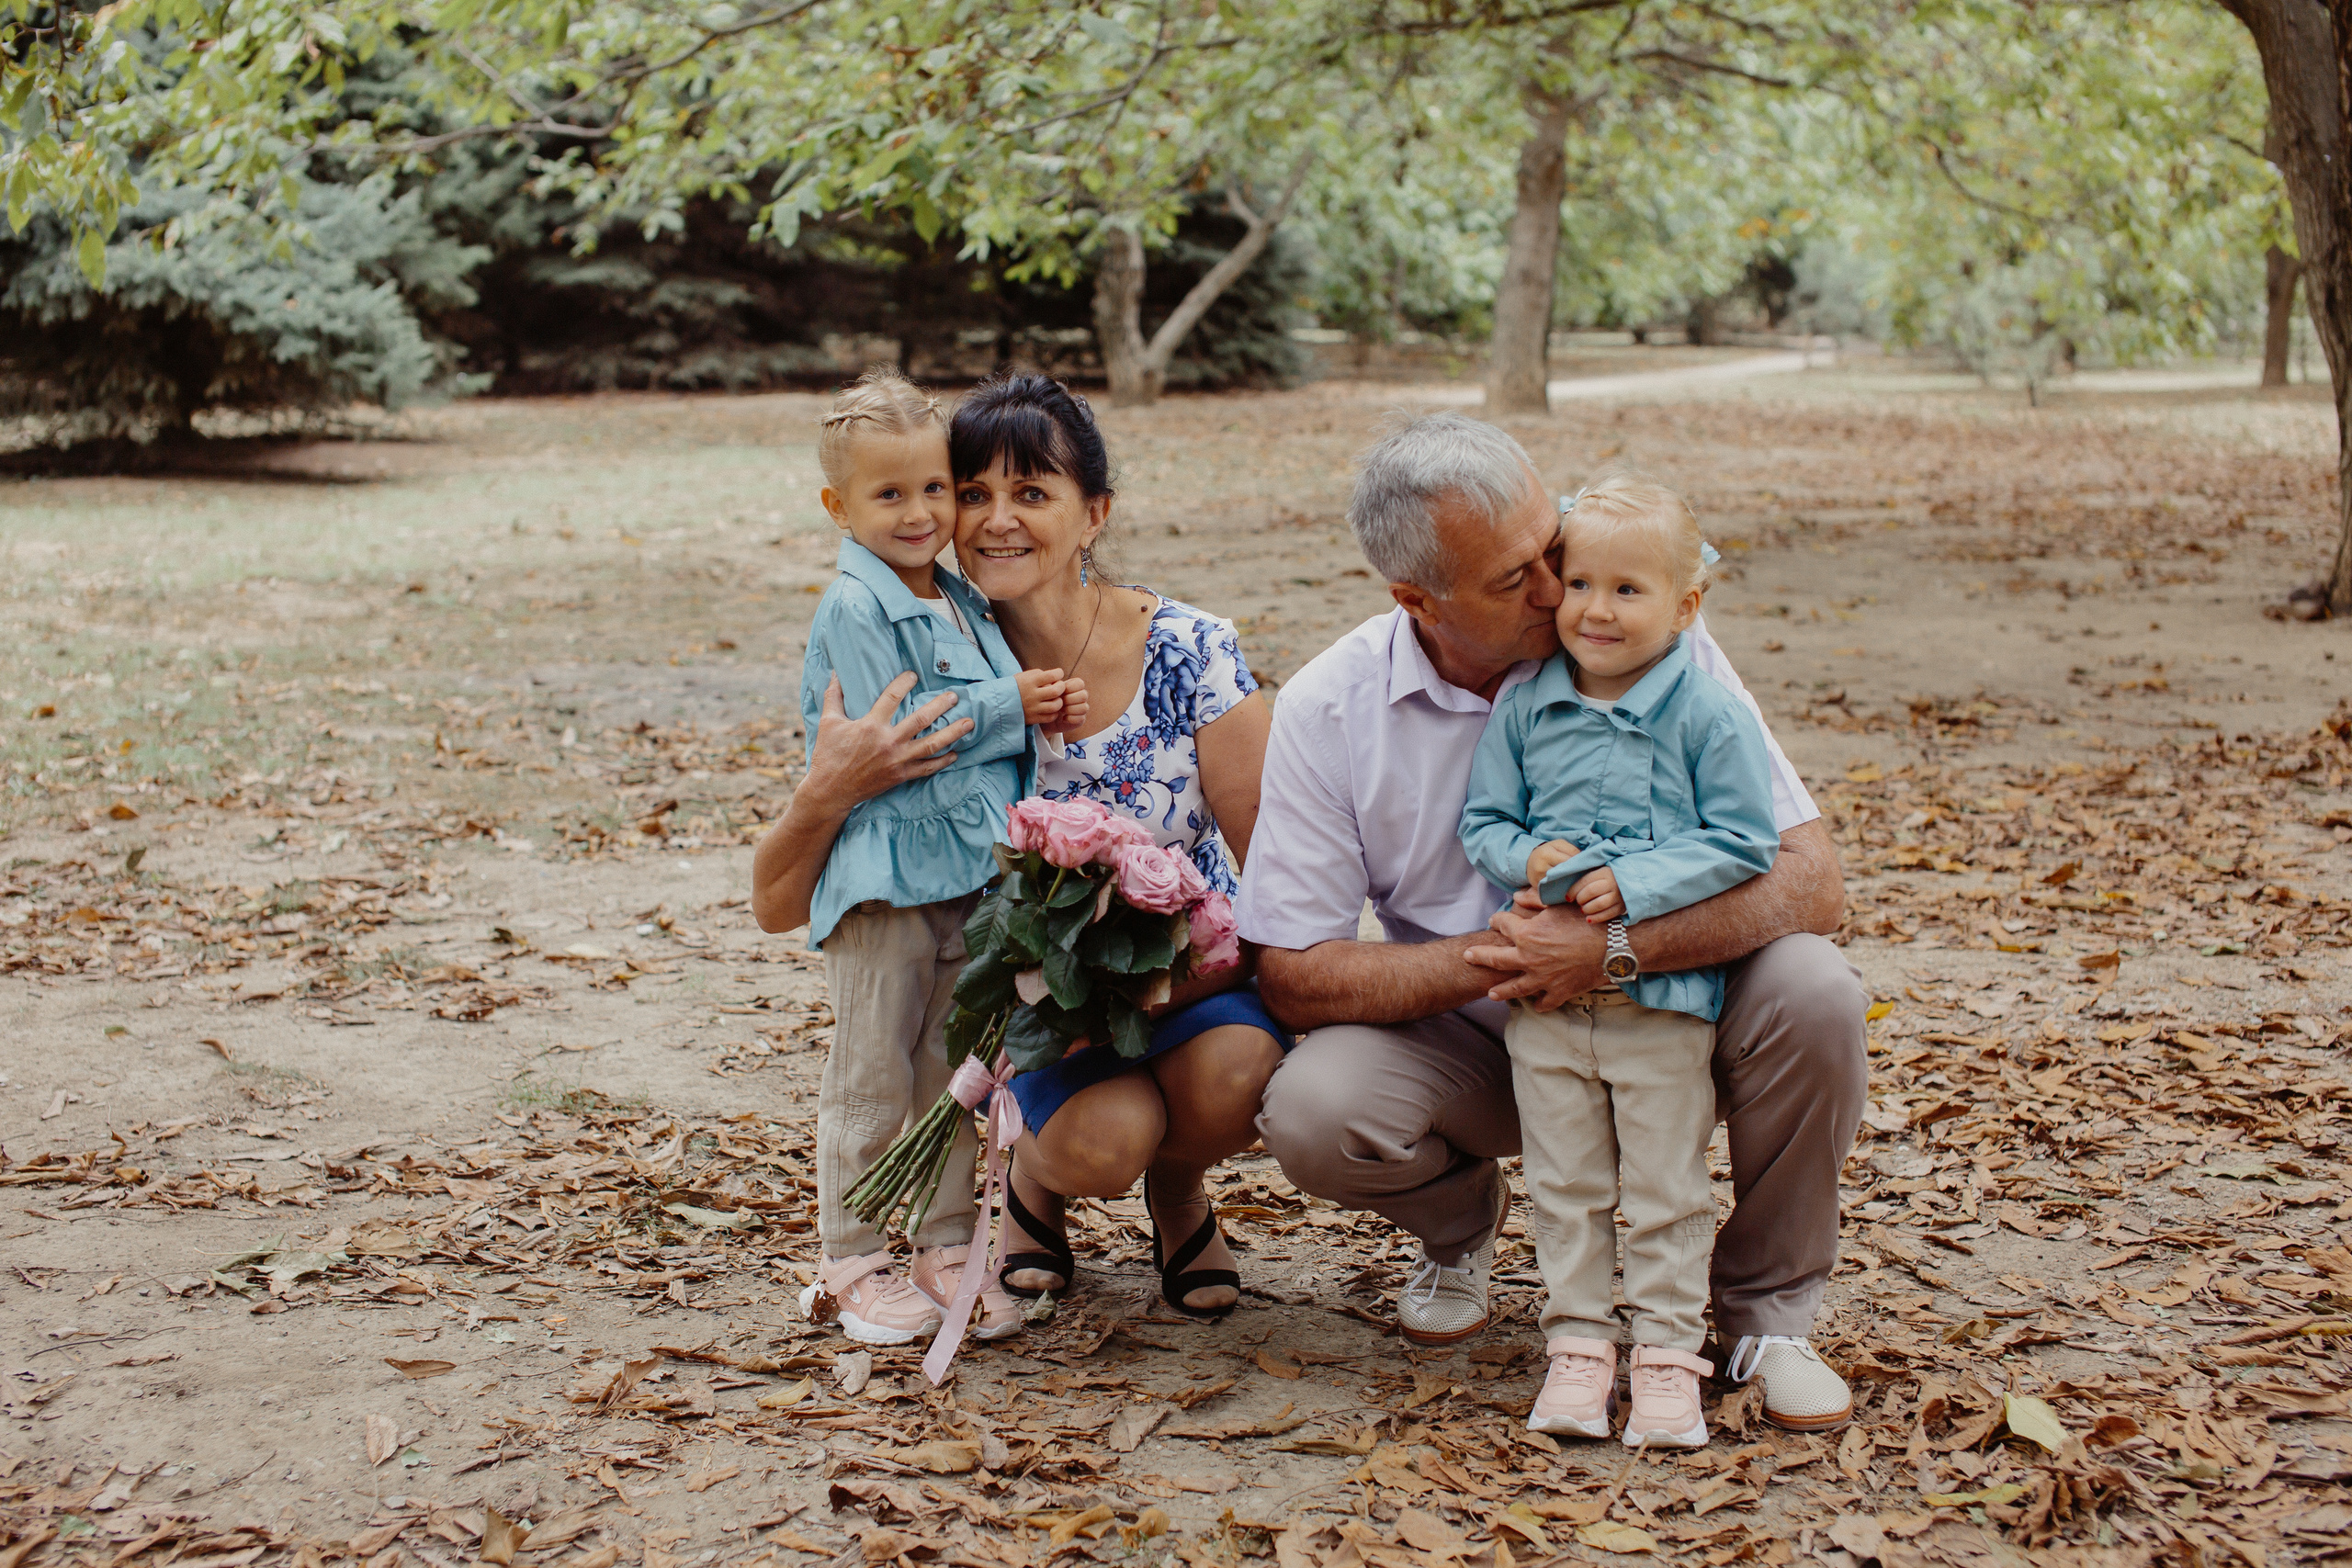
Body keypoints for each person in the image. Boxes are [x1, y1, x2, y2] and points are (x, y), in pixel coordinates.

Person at [1238, 412, 1868, 1434]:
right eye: (1513, 579)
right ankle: (1461, 1223)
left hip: (1675, 1011)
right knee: (1316, 1108)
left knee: (1816, 988)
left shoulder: (1643, 634)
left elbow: (1811, 882)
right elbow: (1293, 971)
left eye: (1553, 547)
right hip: (1487, 1044)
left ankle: (1767, 1317)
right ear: (1416, 600)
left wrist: (1613, 948)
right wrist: (1512, 956)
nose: (1558, 592)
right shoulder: (1330, 707)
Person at [751, 369, 1083, 1348]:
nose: (920, 512)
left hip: (964, 876)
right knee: (870, 1076)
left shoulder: (958, 597)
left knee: (951, 1072)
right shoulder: (855, 608)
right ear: (838, 507)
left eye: (935, 488)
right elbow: (900, 740)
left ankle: (944, 1245)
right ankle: (848, 1258)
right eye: (889, 493)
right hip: (886, 886)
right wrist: (1010, 705)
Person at [949, 372, 1286, 1319]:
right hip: (1041, 1001)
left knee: (1237, 1075)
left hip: (1201, 971)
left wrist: (1193, 975)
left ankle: (1180, 1192)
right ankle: (1035, 1183)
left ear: (1093, 513)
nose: (997, 519)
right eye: (972, 492)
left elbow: (1275, 861)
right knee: (1105, 1141)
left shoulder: (1189, 648)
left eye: (1031, 491)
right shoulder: (947, 664)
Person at [1457, 470, 1779, 1450]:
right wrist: (1526, 857)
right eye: (1581, 583)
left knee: (1666, 1187)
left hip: (1661, 1003)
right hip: (1546, 1008)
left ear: (1686, 604)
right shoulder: (1525, 708)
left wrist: (1637, 881)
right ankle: (1578, 1347)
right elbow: (1484, 821)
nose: (1596, 610)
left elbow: (1744, 840)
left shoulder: (1709, 715)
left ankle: (1668, 1357)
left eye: (1629, 589)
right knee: (1565, 1181)